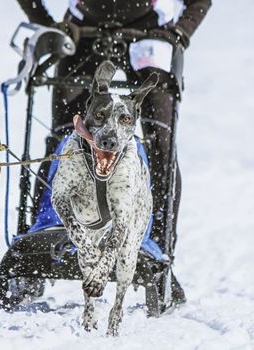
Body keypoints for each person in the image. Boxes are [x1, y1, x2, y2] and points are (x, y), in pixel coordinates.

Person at [15, 0, 212, 301]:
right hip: (82, 32)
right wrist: (48, 23)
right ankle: (43, 230)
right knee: (65, 137)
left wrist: (181, 32)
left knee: (160, 146)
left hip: (150, 34)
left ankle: (158, 251)